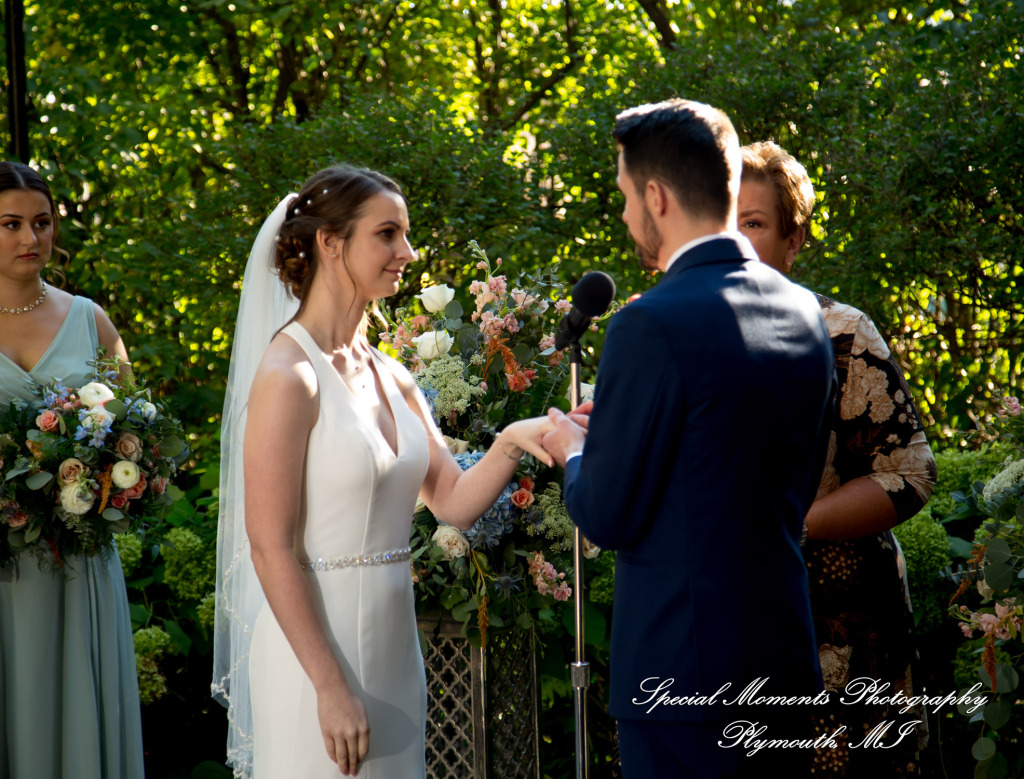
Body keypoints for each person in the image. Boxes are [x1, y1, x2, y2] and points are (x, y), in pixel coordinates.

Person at [212, 165, 554, 778]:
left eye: (406, 234)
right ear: (331, 242)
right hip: (315, 659)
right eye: (389, 234)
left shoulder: (390, 373)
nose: (408, 252)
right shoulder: (290, 376)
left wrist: (512, 442)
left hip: (396, 654)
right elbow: (268, 548)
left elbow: (450, 498)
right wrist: (328, 684)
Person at [541, 100, 836, 778]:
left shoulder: (649, 324)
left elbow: (609, 513)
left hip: (681, 678)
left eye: (622, 194)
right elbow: (766, 474)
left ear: (655, 194)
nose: (622, 215)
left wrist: (575, 449)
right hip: (783, 659)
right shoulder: (802, 310)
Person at [738, 140, 937, 776]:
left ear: (793, 241)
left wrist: (794, 529)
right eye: (722, 223)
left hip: (847, 627)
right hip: (727, 616)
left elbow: (909, 474)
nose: (736, 241)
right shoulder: (674, 337)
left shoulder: (842, 333)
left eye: (755, 223)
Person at [0, 161, 145, 778]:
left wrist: (110, 480)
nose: (30, 239)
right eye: (10, 224)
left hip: (79, 561)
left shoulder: (91, 320)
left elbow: (138, 437)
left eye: (42, 222)